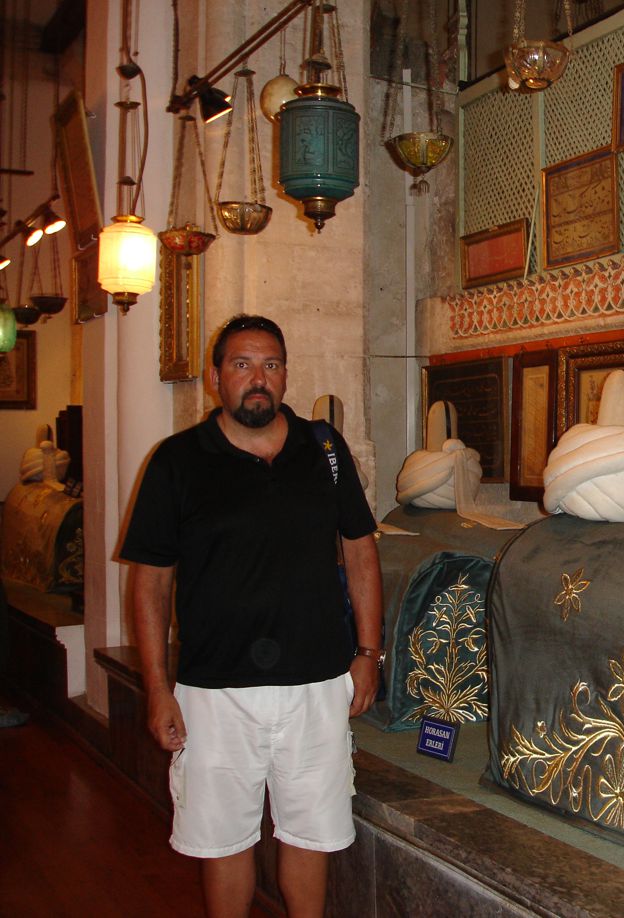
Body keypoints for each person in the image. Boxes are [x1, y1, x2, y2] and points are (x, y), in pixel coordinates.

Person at [120, 314, 382, 918]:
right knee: (223, 842)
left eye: (271, 365)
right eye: (242, 365)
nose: (258, 379)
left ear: (285, 375)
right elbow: (151, 582)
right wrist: (157, 688)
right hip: (215, 691)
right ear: (216, 378)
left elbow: (360, 551)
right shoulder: (177, 461)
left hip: (317, 684)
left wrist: (369, 653)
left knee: (311, 835)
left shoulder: (324, 451)